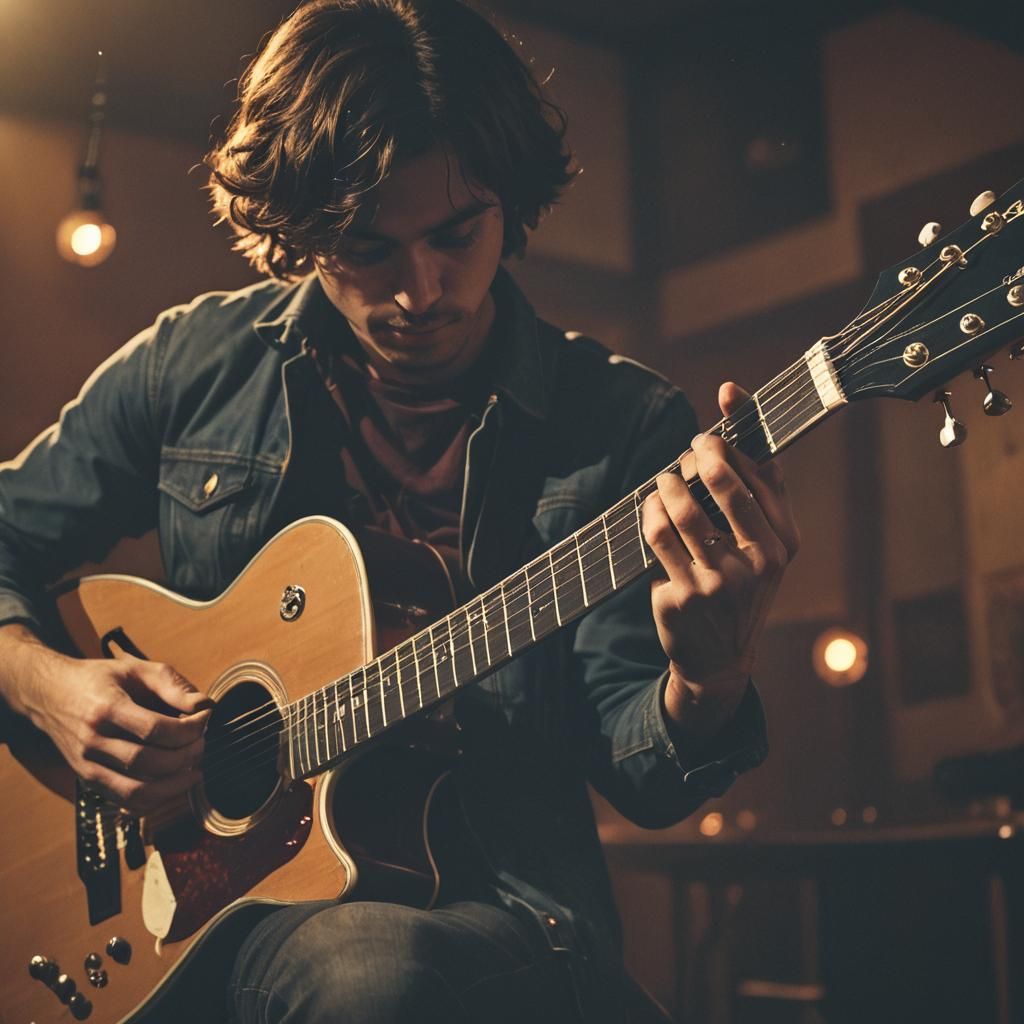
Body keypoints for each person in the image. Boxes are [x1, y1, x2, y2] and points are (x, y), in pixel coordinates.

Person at [0, 0, 799, 1020]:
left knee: (371, 974)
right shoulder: (193, 364)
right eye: (367, 249)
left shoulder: (619, 426)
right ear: (299, 235)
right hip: (206, 918)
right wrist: (46, 687)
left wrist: (710, 670)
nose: (421, 291)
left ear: (504, 201)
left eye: (456, 234)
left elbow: (645, 776)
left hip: (503, 913)